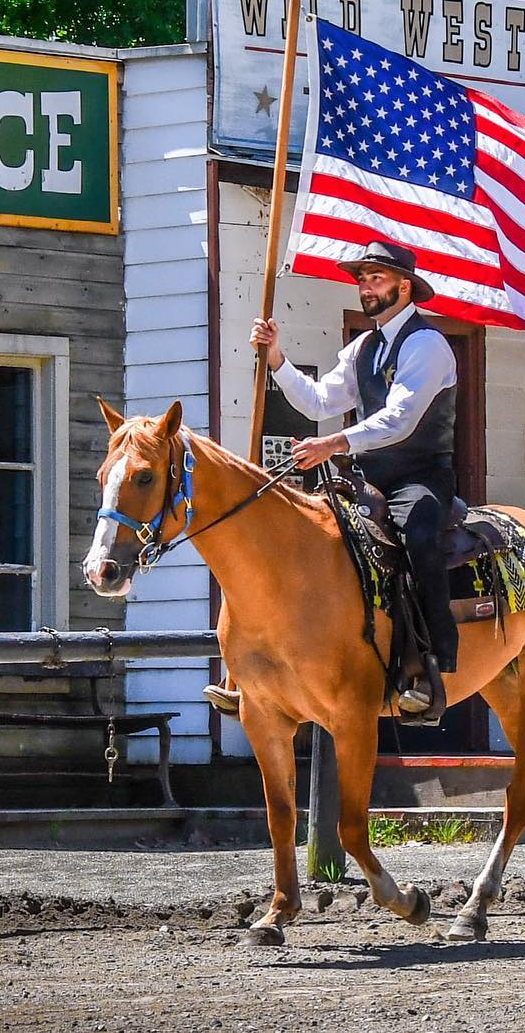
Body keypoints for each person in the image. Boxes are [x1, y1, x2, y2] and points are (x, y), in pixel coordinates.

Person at [204, 240, 459, 720]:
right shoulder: (364, 347)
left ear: (405, 287)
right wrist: (278, 359)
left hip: (418, 477)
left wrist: (332, 445)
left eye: (376, 278)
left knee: (420, 536)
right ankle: (259, 670)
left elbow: (399, 420)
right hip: (366, 477)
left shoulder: (428, 345)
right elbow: (320, 401)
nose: (366, 287)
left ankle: (431, 665)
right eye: (362, 279)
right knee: (297, 537)